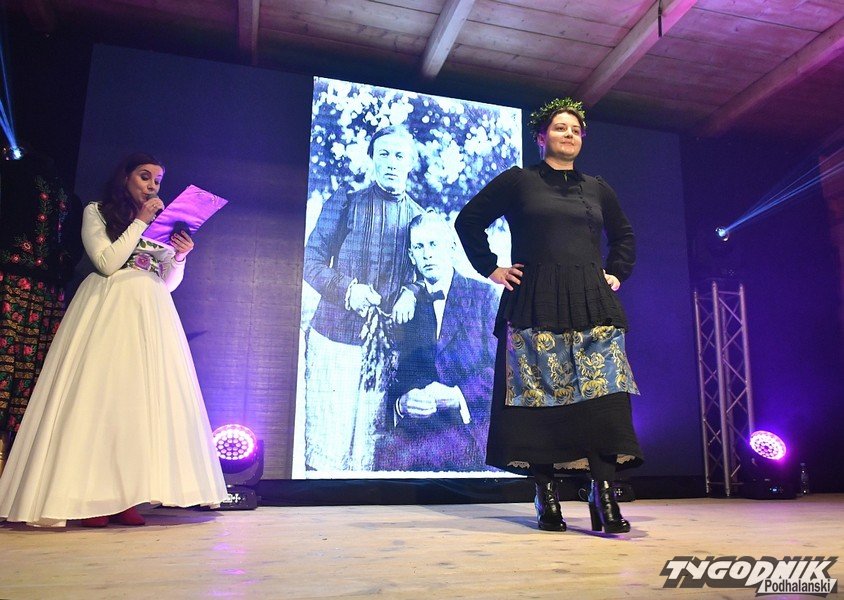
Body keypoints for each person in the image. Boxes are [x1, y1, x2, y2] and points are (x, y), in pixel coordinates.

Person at [0, 152, 227, 527]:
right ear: (125, 178)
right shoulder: (98, 212)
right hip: (109, 306)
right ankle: (90, 497)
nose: (152, 185)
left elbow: (167, 282)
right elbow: (107, 262)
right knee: (98, 398)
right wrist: (140, 222)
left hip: (149, 311)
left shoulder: (160, 222)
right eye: (144, 177)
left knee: (135, 404)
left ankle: (127, 495)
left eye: (157, 180)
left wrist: (180, 257)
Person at [455, 98, 643, 534]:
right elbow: (469, 220)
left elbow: (624, 235)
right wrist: (492, 268)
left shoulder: (597, 187)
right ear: (541, 137)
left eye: (576, 130)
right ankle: (546, 495)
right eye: (560, 128)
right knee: (538, 400)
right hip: (535, 301)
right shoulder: (519, 181)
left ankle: (603, 495)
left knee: (604, 401)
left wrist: (616, 272)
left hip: (592, 303)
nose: (569, 134)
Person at [303, 125, 424, 472]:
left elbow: (426, 272)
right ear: (372, 158)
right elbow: (309, 260)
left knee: (368, 453)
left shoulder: (418, 216)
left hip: (384, 351)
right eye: (383, 153)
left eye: (399, 155)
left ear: (410, 163)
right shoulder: (347, 201)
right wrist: (347, 290)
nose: (391, 162)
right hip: (334, 340)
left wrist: (412, 292)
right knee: (328, 449)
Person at [375, 211, 498, 472]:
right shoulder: (405, 307)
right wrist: (401, 403)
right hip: (418, 434)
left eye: (434, 244)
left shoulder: (484, 296)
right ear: (412, 257)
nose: (427, 254)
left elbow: (503, 372)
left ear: (451, 248)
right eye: (419, 247)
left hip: (471, 430)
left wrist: (456, 396)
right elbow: (395, 376)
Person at [0, 148, 83, 475]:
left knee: (33, 375)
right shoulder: (11, 176)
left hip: (45, 292)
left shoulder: (71, 199)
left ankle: (15, 473)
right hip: (13, 283)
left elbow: (72, 248)